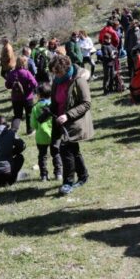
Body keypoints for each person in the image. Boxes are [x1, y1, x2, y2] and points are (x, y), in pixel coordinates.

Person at [38, 54, 94, 195]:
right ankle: (83, 176)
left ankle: (68, 182)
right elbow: (56, 102)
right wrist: (45, 114)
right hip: (60, 121)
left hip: (74, 121)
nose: (54, 74)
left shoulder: (79, 80)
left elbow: (86, 103)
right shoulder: (57, 80)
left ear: (65, 67)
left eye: (57, 71)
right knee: (73, 149)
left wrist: (68, 115)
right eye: (53, 72)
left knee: (65, 149)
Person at [30, 82, 63, 182]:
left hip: (41, 136)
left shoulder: (35, 107)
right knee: (56, 154)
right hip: (55, 134)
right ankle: (58, 174)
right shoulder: (53, 105)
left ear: (39, 95)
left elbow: (33, 124)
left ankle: (43, 175)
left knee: (42, 156)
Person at [4, 55, 38, 134]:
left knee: (17, 115)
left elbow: (7, 85)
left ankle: (13, 131)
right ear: (24, 63)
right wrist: (29, 87)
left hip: (16, 98)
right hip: (27, 97)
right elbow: (35, 84)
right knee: (29, 114)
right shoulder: (27, 73)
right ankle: (30, 130)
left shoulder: (12, 73)